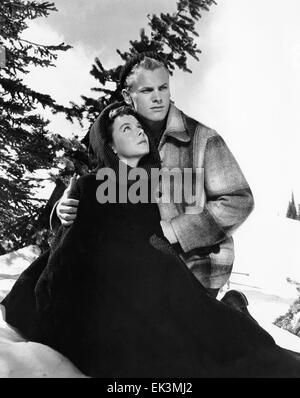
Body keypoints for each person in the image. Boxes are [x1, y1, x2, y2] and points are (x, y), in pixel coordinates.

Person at [3, 103, 300, 378]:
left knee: (237, 344)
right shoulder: (92, 185)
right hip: (122, 307)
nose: (139, 132)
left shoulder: (159, 185)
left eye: (139, 127)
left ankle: (234, 311)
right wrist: (62, 210)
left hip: (170, 288)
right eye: (126, 129)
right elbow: (65, 262)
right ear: (110, 147)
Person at [52, 52, 254, 306]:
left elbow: (238, 200)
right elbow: (96, 190)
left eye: (163, 88)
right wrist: (63, 210)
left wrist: (173, 231)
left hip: (197, 266)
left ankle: (233, 315)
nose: (158, 98)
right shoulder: (120, 134)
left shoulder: (203, 138)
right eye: (147, 90)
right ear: (128, 96)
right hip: (139, 264)